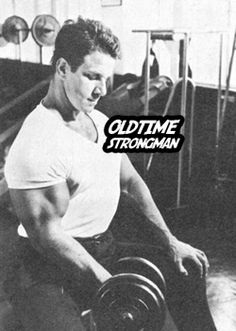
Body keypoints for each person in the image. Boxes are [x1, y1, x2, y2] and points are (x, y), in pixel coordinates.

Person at [4, 17, 216, 331]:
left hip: (104, 248)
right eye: (92, 77)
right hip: (45, 271)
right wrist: (110, 283)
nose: (102, 90)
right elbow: (47, 237)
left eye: (106, 78)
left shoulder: (101, 122)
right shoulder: (37, 141)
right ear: (63, 69)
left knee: (187, 269)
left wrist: (171, 242)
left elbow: (130, 182)